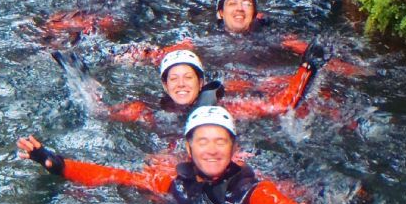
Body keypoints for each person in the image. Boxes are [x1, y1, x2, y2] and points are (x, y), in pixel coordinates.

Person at [16, 106, 328, 204]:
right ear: (189, 149)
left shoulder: (253, 190)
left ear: (233, 149)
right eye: (203, 141)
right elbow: (114, 176)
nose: (212, 149)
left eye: (221, 141)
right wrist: (59, 166)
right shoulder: (171, 181)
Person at [105, 47, 323, 128]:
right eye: (174, 79)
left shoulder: (226, 108)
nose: (181, 84)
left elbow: (279, 106)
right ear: (164, 84)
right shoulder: (148, 109)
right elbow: (103, 113)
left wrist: (307, 68)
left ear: (201, 83)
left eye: (188, 78)